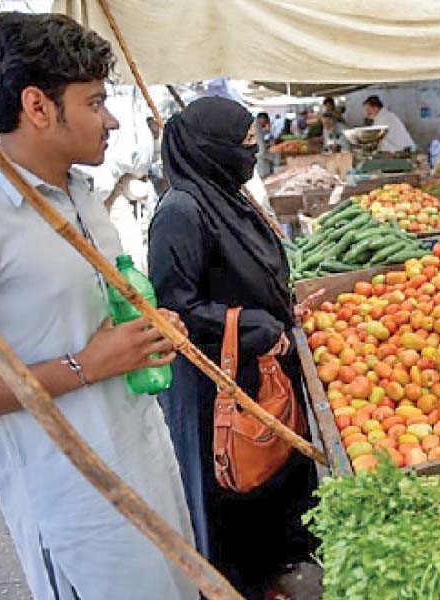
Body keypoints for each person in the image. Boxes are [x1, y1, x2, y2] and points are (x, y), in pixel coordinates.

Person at [0, 12, 197, 600]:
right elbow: (90, 352)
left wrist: (146, 333)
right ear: (38, 107)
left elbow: (101, 319)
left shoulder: (83, 193)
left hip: (144, 456)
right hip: (74, 496)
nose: (110, 120)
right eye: (94, 103)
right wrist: (90, 364)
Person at [148, 96, 318, 597]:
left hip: (257, 370)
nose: (254, 154)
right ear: (211, 149)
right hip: (213, 386)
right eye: (245, 145)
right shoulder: (180, 211)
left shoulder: (231, 197)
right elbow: (174, 308)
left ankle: (275, 575)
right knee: (230, 489)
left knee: (269, 482)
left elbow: (249, 274)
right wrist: (253, 325)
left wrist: (285, 311)